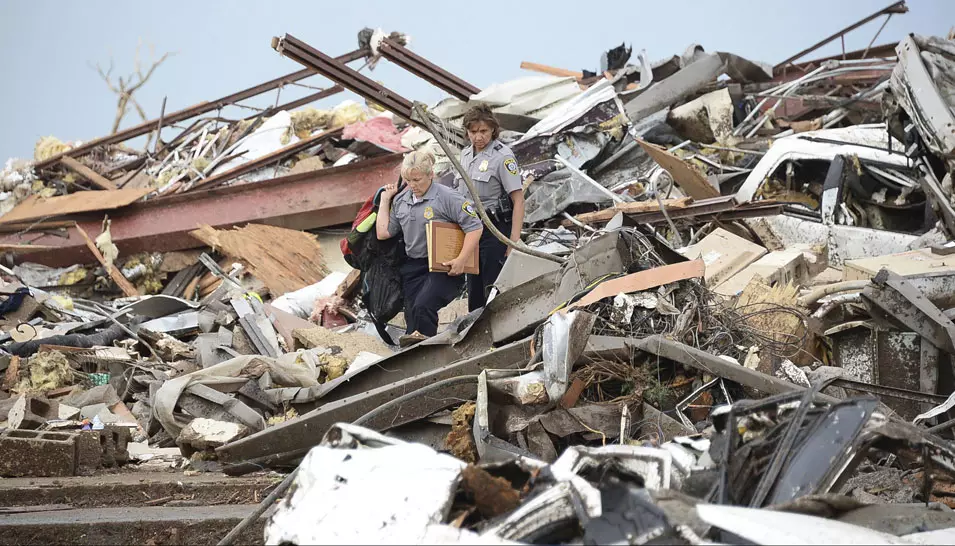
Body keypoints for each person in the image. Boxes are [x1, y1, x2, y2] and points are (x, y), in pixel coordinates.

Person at [376, 151, 483, 347]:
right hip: (413, 266)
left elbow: (475, 227)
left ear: (430, 175)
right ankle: (415, 353)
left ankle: (427, 353)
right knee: (411, 315)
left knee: (423, 306)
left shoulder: (448, 198)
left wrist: (461, 259)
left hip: (443, 266)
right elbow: (383, 232)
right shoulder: (402, 200)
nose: (412, 185)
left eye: (417, 180)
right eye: (408, 180)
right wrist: (385, 200)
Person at [454, 104, 525, 312]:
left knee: (492, 288)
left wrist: (513, 241)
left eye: (483, 131)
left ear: (493, 130)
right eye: (473, 132)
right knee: (474, 289)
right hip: (470, 230)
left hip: (494, 230)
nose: (478, 137)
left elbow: (518, 200)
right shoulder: (465, 156)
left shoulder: (502, 157)